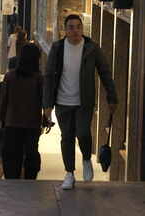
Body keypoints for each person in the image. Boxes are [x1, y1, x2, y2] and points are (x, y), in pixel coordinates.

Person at [43, 14, 118, 190]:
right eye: (71, 27)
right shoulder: (58, 48)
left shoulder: (91, 48)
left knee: (83, 132)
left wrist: (112, 96)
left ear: (82, 29)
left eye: (78, 26)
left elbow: (105, 72)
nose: (75, 30)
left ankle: (86, 158)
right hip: (62, 102)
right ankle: (69, 173)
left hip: (84, 102)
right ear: (65, 30)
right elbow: (48, 77)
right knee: (66, 137)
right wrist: (47, 105)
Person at [0, 43, 47, 179]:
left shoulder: (10, 77)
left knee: (12, 155)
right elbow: (42, 101)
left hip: (12, 123)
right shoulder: (38, 79)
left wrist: (2, 122)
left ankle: (12, 180)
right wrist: (45, 119)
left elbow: (4, 102)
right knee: (31, 153)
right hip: (32, 124)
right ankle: (30, 179)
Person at [0, 57, 18, 179]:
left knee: (0, 158)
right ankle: (23, 187)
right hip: (23, 127)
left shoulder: (2, 85)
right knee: (20, 160)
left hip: (5, 126)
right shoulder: (29, 84)